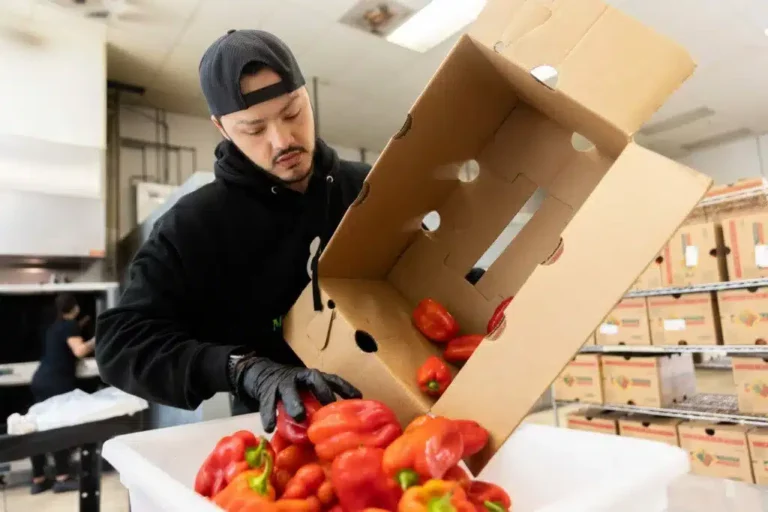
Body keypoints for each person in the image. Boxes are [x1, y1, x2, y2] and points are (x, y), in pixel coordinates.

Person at [95, 30, 367, 432]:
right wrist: (242, 369)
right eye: (254, 129)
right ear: (222, 129)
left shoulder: (367, 188)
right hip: (285, 427)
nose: (283, 140)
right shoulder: (195, 224)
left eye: (292, 112)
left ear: (307, 97)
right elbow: (120, 343)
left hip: (391, 404)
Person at [29, 293, 94, 494]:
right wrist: (98, 338)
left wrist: (80, 326)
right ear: (74, 308)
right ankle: (62, 478)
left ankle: (38, 480)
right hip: (56, 383)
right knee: (58, 427)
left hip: (40, 379)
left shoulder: (54, 327)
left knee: (40, 429)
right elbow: (79, 350)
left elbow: (64, 341)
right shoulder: (70, 326)